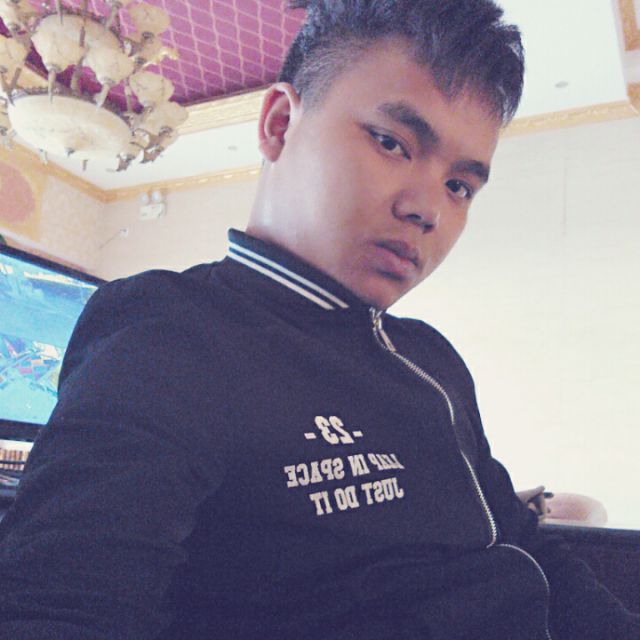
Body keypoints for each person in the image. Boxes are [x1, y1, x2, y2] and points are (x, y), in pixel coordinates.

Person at [0, 1, 638, 638]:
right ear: (279, 124)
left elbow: (526, 543)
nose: (429, 210)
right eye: (392, 143)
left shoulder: (431, 356)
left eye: (460, 187)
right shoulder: (169, 333)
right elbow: (60, 608)